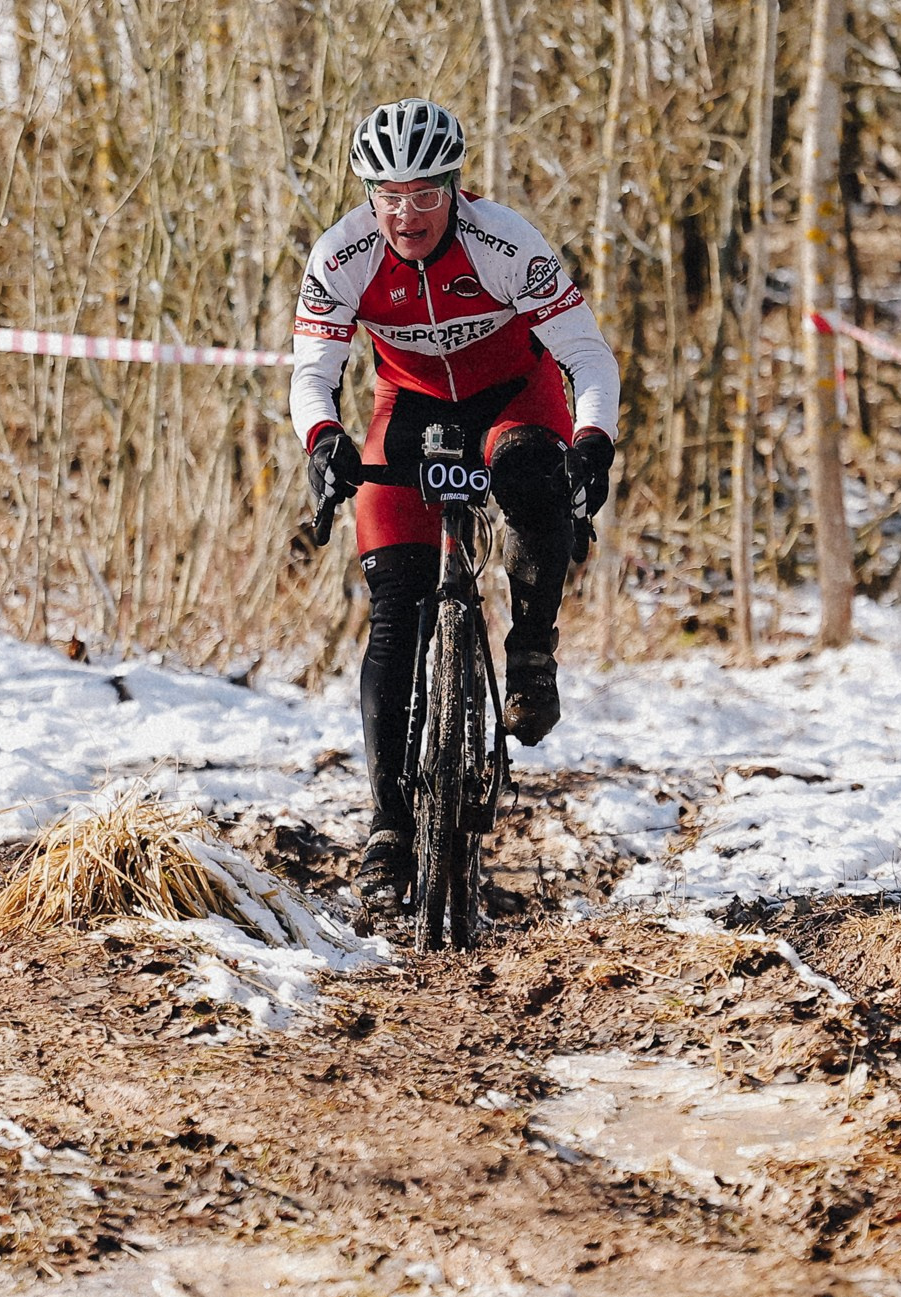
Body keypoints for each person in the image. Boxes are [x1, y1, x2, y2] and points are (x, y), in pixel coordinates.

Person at [290, 98, 620, 920]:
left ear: (454, 189)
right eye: (388, 195)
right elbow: (312, 372)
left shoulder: (507, 243)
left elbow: (587, 355)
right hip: (408, 409)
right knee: (395, 609)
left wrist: (593, 442)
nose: (405, 213)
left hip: (515, 398)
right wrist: (325, 441)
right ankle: (387, 826)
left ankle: (533, 652)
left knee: (533, 482)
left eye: (424, 195)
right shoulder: (343, 256)